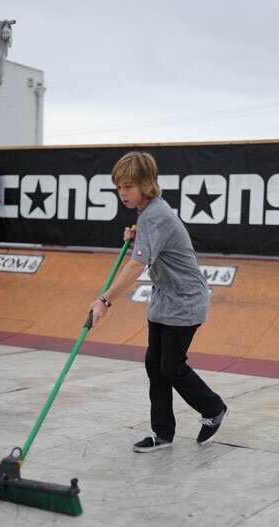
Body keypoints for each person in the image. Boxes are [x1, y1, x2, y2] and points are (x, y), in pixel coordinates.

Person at [88, 151, 228, 452]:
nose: (122, 193)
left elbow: (137, 266)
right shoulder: (149, 212)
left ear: (146, 183)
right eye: (119, 187)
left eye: (128, 186)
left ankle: (213, 408)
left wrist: (104, 300)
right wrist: (137, 236)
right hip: (165, 299)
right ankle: (162, 432)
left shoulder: (154, 215)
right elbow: (152, 245)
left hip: (186, 299)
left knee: (171, 366)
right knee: (155, 364)